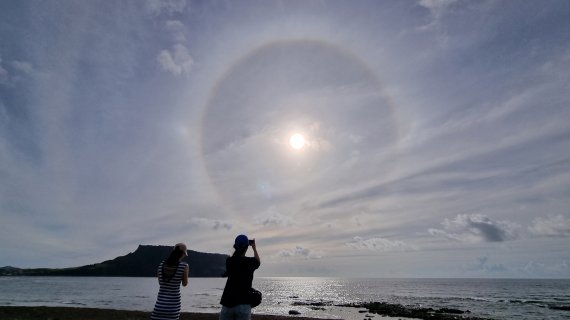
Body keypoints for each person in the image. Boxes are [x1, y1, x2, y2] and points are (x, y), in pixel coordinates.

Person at [219, 234, 261, 320]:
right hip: (244, 303)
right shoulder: (250, 262)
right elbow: (258, 261)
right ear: (246, 247)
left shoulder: (229, 261)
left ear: (235, 246)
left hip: (227, 303)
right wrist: (254, 248)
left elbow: (236, 259)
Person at [151, 243, 190, 320]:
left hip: (158, 307)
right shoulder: (184, 266)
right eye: (185, 254)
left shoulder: (161, 265)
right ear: (183, 253)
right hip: (173, 308)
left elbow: (161, 283)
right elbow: (184, 284)